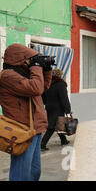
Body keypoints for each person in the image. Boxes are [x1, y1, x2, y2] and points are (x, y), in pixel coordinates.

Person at [0, 44, 52, 181]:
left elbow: (43, 87)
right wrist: (36, 66)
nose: (30, 62)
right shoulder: (7, 76)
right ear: (19, 59)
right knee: (21, 174)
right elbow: (35, 88)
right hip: (22, 131)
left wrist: (46, 70)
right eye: (30, 59)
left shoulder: (23, 75)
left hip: (35, 129)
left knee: (34, 172)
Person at [41, 69, 71, 151]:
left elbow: (43, 97)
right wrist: (68, 110)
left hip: (49, 107)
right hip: (58, 108)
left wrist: (47, 103)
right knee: (51, 126)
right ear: (60, 75)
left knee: (58, 124)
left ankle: (63, 140)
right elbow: (64, 98)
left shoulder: (47, 84)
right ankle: (42, 144)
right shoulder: (60, 84)